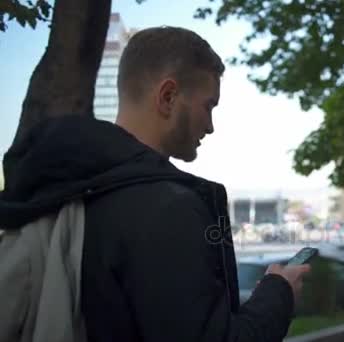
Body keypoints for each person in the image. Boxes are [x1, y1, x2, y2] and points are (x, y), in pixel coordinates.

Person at [0, 27, 309, 342]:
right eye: (209, 106)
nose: (212, 126)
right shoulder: (167, 207)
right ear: (168, 97)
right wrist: (279, 294)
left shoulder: (66, 188)